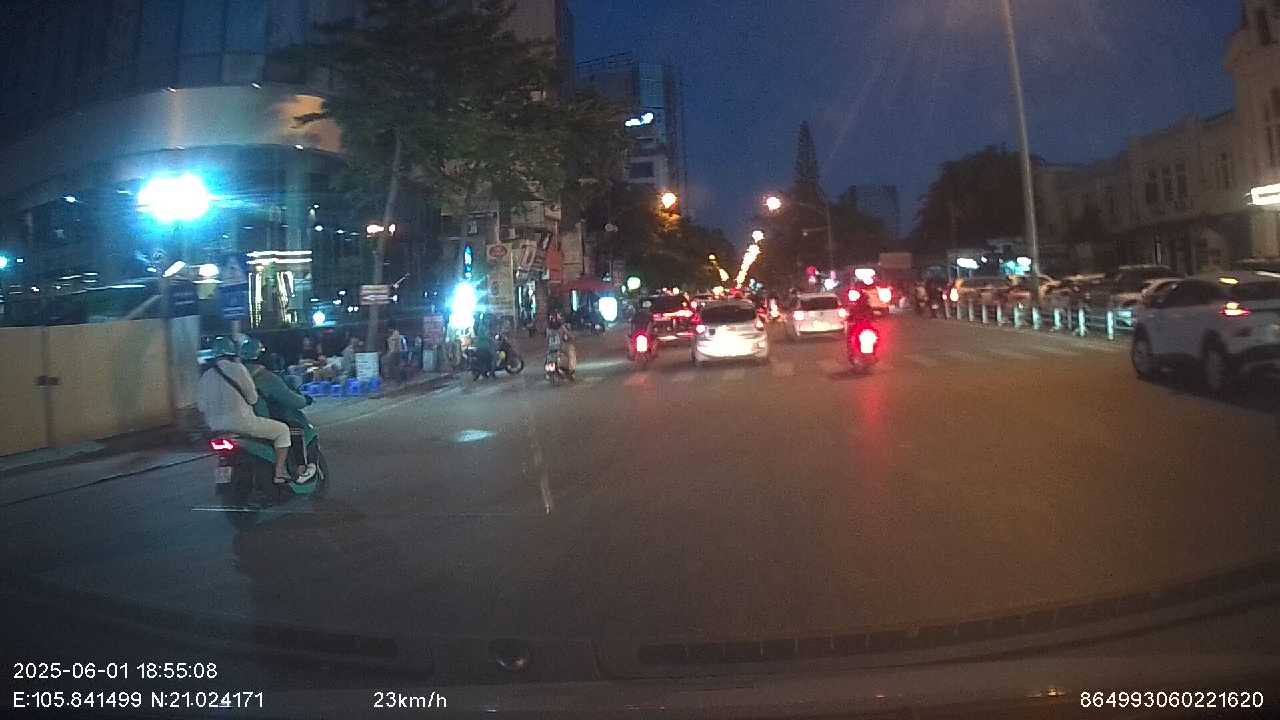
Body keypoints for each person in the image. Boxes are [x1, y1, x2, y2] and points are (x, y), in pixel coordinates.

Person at [198, 336, 315, 485]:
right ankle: (280, 473)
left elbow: (201, 406)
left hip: (215, 427)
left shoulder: (206, 375)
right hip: (242, 423)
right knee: (283, 431)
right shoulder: (240, 370)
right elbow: (253, 398)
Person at [239, 337, 312, 429]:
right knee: (286, 427)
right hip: (258, 422)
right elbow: (293, 400)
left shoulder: (234, 374)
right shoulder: (265, 377)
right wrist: (305, 400)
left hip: (234, 421)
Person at [547, 311, 577, 378]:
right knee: (571, 351)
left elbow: (547, 339)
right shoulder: (561, 327)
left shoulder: (548, 329)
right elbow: (569, 334)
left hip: (552, 348)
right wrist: (572, 337)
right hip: (560, 346)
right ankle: (571, 370)